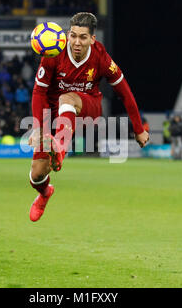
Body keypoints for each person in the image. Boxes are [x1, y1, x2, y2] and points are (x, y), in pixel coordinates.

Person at [28, 12, 149, 222]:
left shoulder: (101, 58)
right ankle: (45, 192)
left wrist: (138, 129)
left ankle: (60, 151)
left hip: (88, 106)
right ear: (67, 35)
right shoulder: (53, 53)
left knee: (67, 98)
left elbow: (125, 93)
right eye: (73, 35)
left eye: (83, 37)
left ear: (93, 39)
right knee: (37, 174)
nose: (76, 42)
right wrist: (39, 129)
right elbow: (39, 92)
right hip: (52, 111)